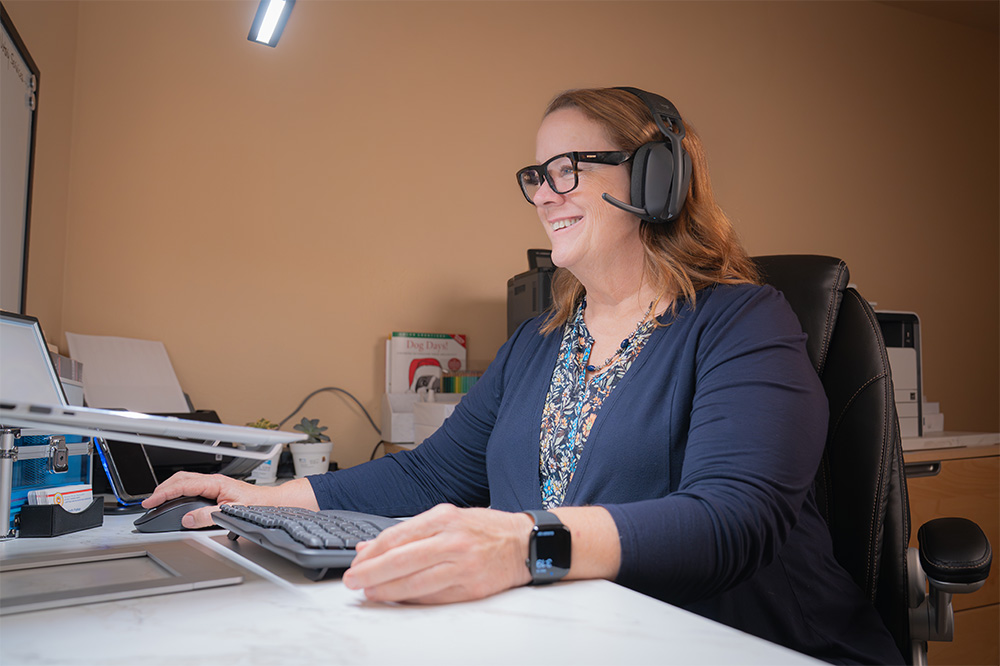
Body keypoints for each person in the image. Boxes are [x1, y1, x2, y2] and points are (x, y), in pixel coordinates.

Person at [145, 87, 902, 664]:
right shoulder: (538, 343)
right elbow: (429, 476)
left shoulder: (744, 321)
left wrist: (523, 544)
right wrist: (267, 498)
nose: (545, 192)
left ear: (657, 179)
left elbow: (733, 521)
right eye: (537, 174)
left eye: (570, 169)